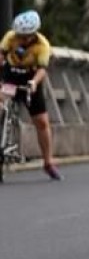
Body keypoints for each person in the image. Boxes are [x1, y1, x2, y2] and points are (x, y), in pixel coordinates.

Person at [0, 10, 61, 180]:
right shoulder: (10, 37)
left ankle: (48, 162)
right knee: (0, 103)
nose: (22, 39)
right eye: (20, 35)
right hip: (11, 76)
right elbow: (1, 56)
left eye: (26, 36)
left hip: (30, 79)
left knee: (41, 122)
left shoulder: (43, 45)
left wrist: (34, 83)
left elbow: (42, 70)